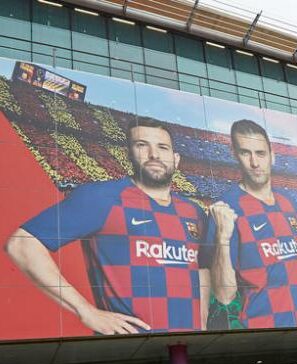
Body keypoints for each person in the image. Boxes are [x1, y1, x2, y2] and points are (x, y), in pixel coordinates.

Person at [6, 117, 209, 334]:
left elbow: (201, 268)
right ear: (128, 154)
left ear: (176, 159)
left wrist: (202, 322)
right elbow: (21, 245)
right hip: (129, 350)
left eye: (162, 147)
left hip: (185, 346)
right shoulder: (101, 197)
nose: (154, 155)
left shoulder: (193, 211)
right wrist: (85, 311)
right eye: (142, 145)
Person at [206, 120, 297, 328]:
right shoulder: (226, 207)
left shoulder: (289, 202)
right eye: (245, 153)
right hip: (263, 330)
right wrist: (222, 238)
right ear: (235, 155)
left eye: (260, 153)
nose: (254, 162)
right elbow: (224, 295)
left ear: (272, 155)